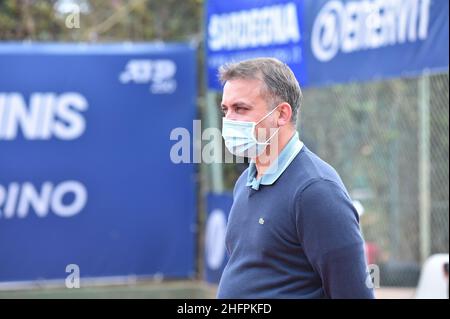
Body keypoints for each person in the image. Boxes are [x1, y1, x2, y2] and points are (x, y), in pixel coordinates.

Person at [217, 57, 374, 299]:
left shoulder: (316, 191)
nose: (228, 121)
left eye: (241, 108)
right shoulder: (245, 182)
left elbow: (354, 293)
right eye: (225, 110)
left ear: (281, 114)